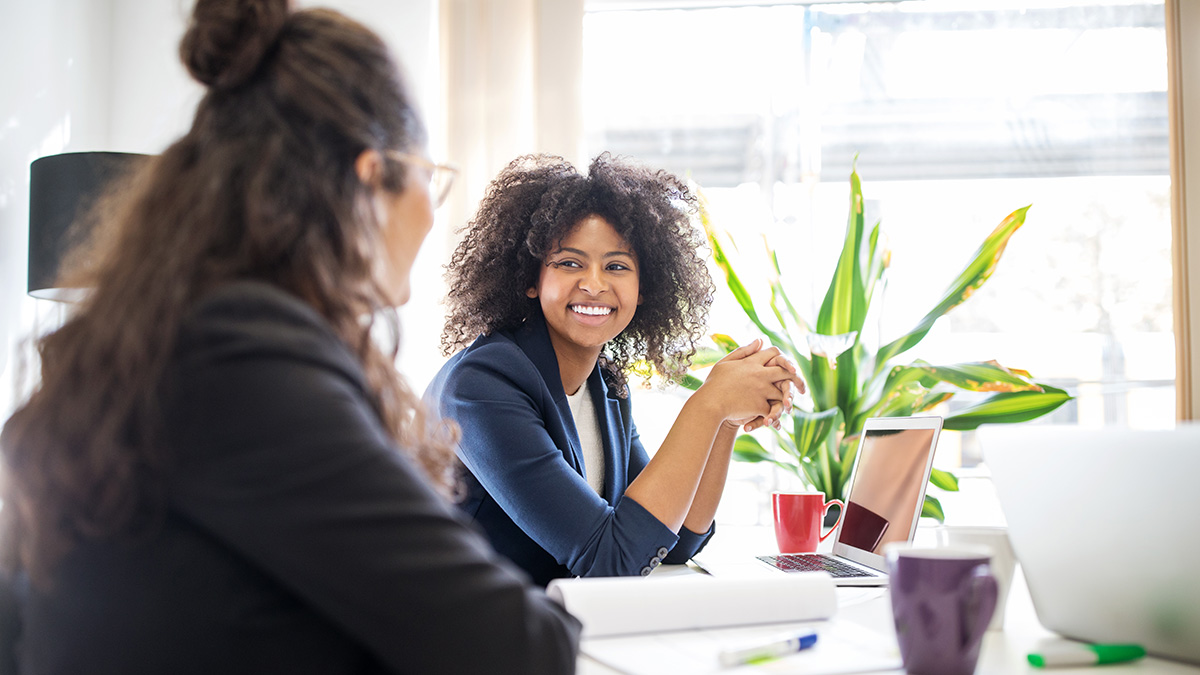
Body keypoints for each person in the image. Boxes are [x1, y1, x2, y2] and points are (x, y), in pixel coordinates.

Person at [0, 1, 580, 673]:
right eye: (430, 179)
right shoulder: (243, 361)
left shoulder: (188, 337)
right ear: (371, 178)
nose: (430, 212)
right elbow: (518, 645)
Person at [426, 153, 805, 587]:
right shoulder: (481, 385)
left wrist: (724, 421)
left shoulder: (604, 385)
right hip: (459, 640)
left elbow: (673, 539)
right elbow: (611, 559)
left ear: (644, 289)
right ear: (531, 279)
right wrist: (708, 402)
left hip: (544, 626)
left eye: (617, 266)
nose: (594, 284)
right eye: (569, 263)